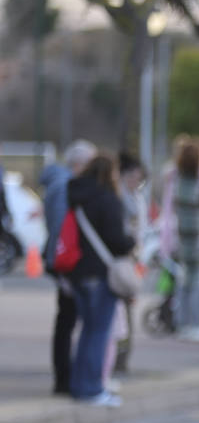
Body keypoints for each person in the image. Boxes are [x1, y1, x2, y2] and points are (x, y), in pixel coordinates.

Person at [66, 153, 135, 406]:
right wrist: (132, 242)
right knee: (99, 334)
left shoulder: (77, 197)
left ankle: (78, 384)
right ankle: (92, 388)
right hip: (101, 272)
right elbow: (117, 240)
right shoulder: (108, 199)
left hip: (78, 272)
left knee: (86, 331)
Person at [40, 139, 97, 396]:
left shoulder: (59, 184)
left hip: (61, 261)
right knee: (67, 320)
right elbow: (63, 230)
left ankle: (65, 376)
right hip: (66, 264)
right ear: (78, 163)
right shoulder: (65, 187)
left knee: (66, 320)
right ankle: (64, 378)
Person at [172, 140, 199, 341]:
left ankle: (182, 322)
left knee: (184, 280)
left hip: (182, 236)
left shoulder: (178, 181)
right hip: (197, 237)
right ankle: (195, 324)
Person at [111, 151, 148, 377]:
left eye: (139, 178)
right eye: (133, 177)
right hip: (119, 261)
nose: (136, 182)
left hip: (131, 260)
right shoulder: (117, 198)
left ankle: (123, 358)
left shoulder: (137, 198)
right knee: (119, 312)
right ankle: (116, 359)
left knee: (126, 310)